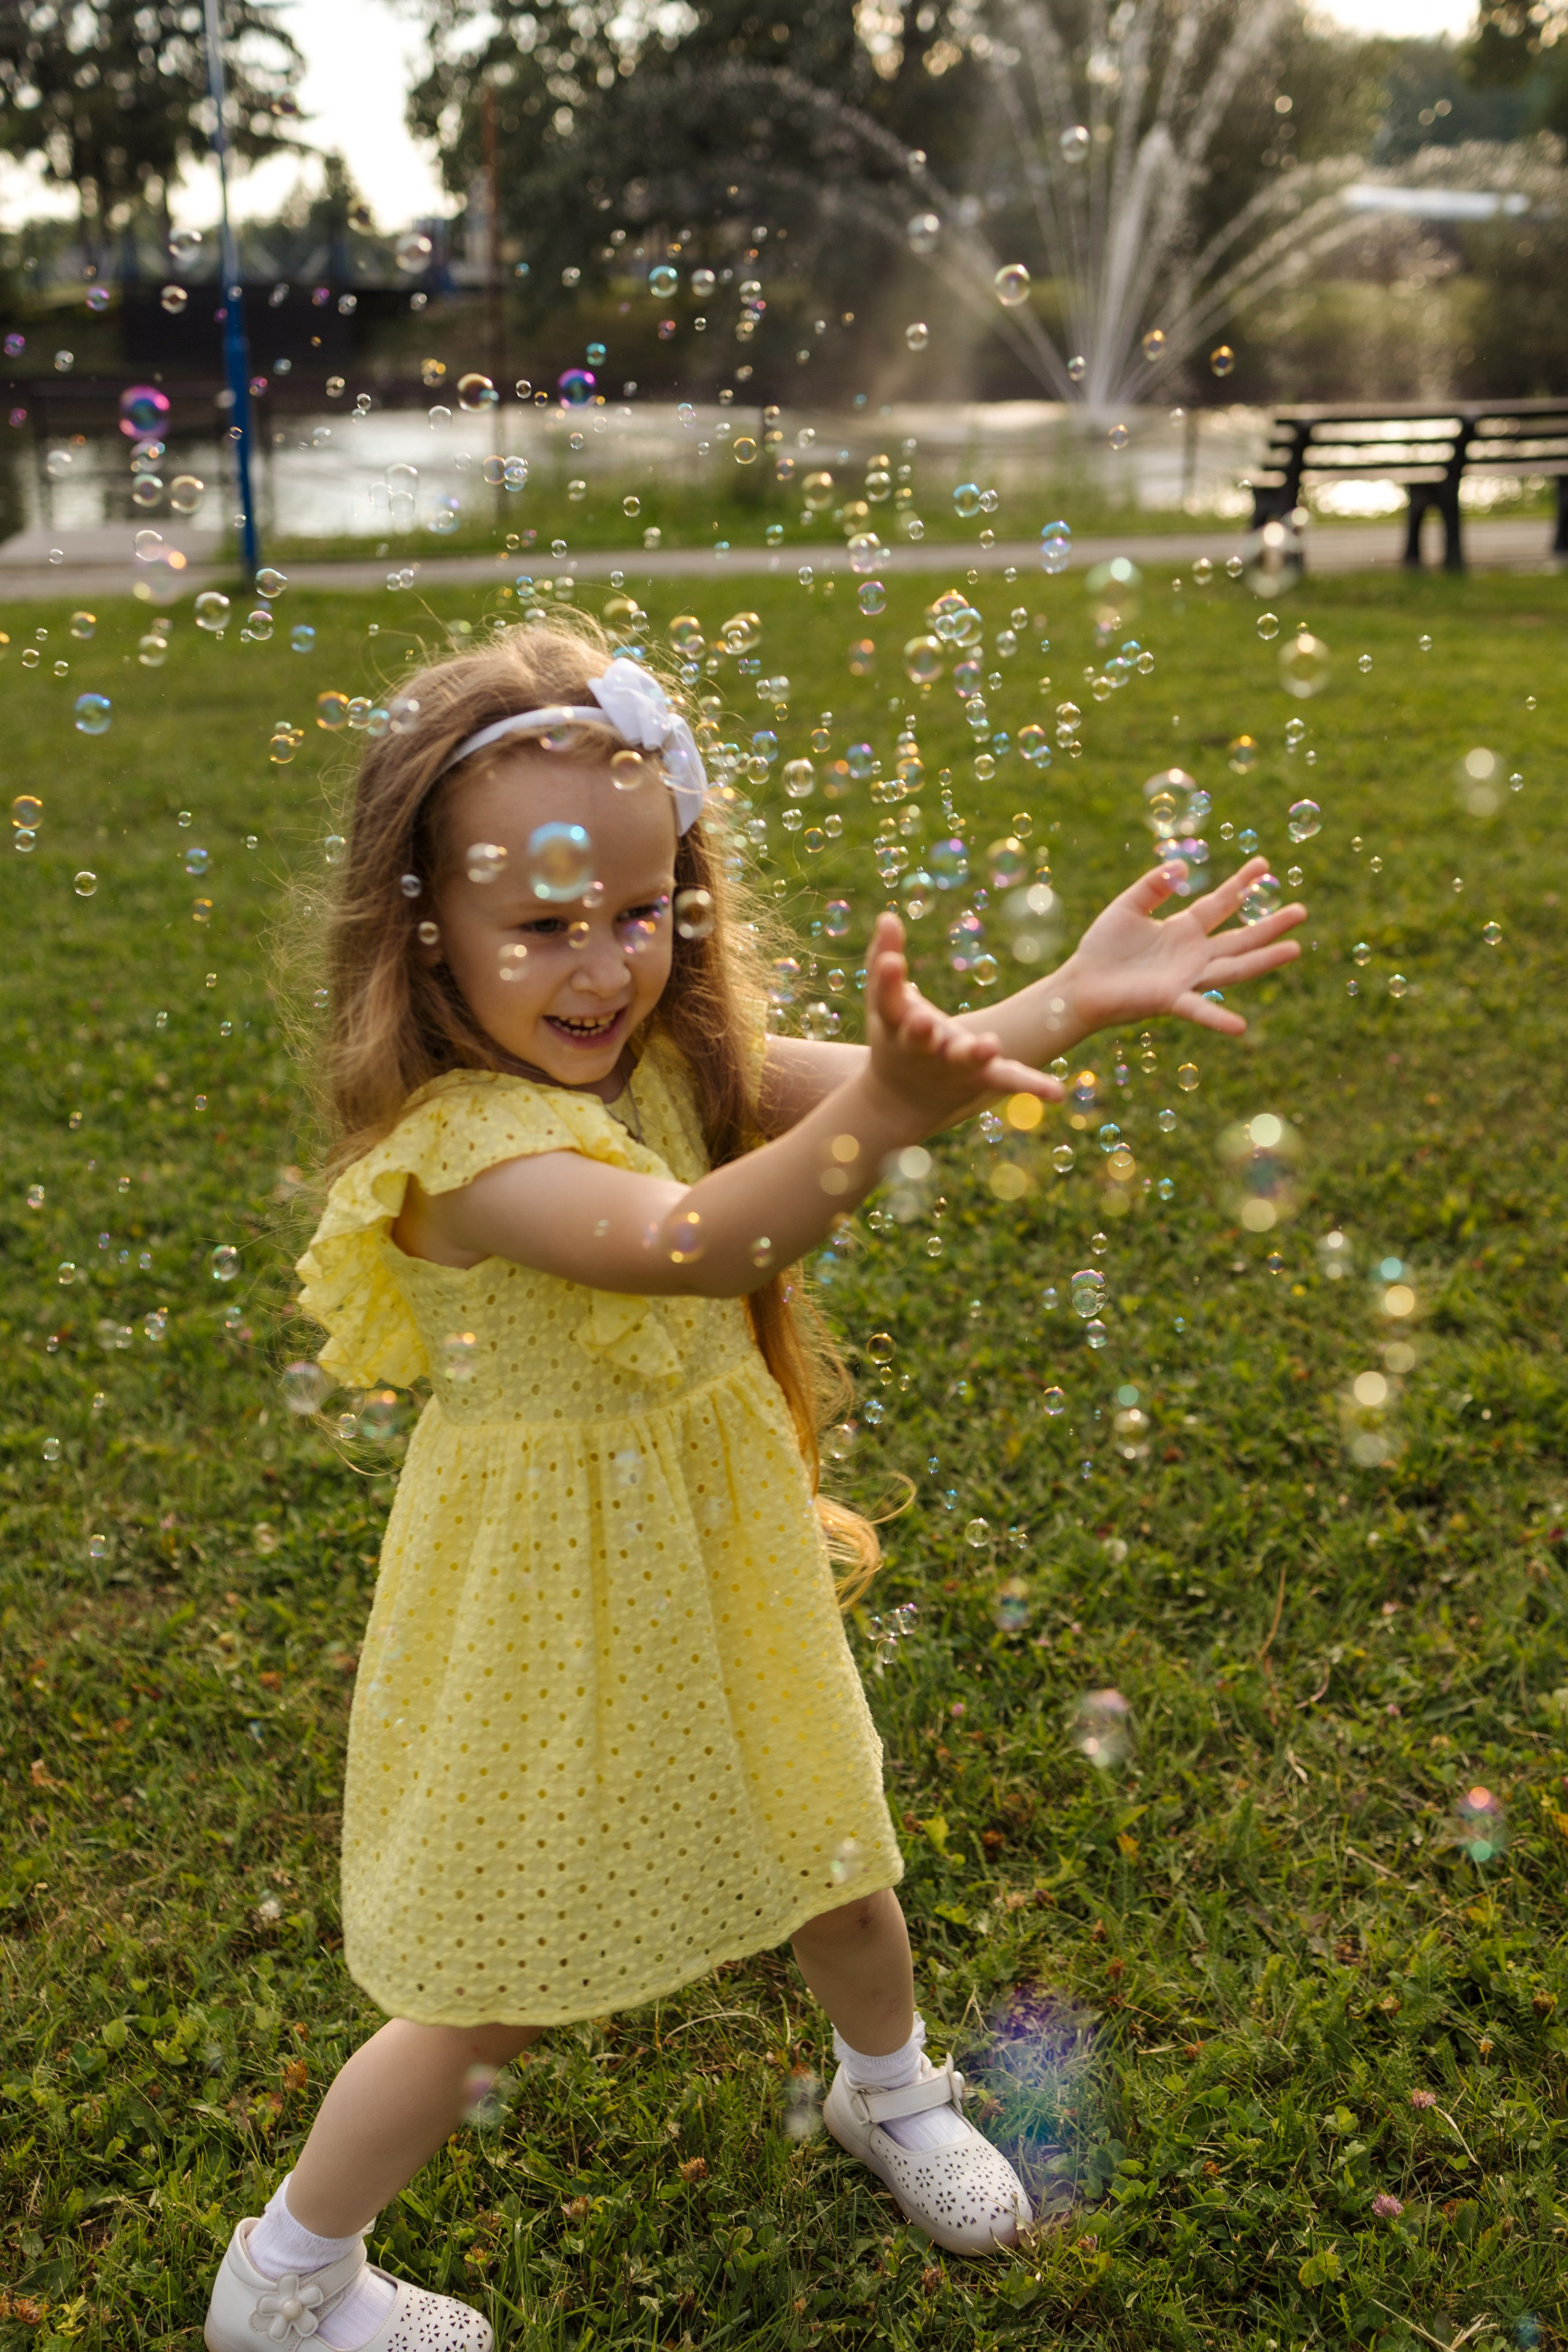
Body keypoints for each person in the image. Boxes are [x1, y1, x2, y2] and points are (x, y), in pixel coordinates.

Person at [205, 615, 1303, 2351]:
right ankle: (284, 2280)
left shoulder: (665, 1063)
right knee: (486, 1984)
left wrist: (1064, 1001)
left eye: (639, 913)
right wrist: (892, 1115)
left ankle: (891, 2086)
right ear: (426, 936)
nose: (603, 966)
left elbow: (878, 1085)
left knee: (827, 1835)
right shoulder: (467, 1153)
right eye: (545, 924)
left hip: (707, 1558)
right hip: (542, 1610)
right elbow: (696, 1240)